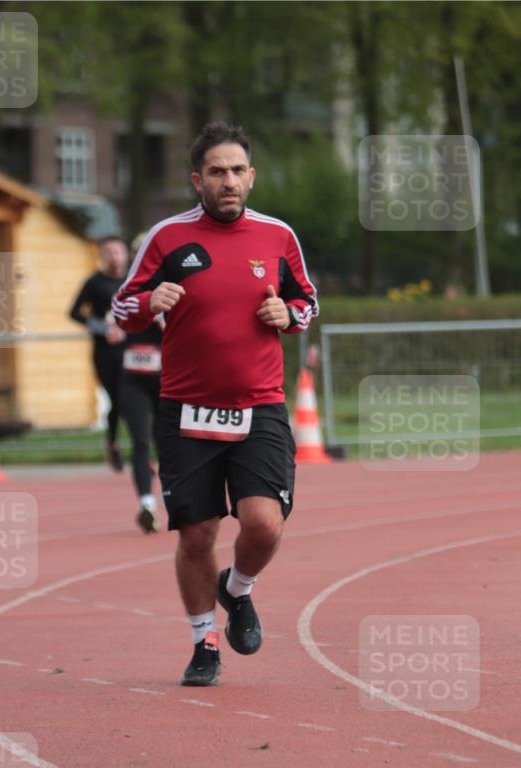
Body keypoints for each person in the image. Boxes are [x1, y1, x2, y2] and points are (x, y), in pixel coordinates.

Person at [114, 122, 318, 686]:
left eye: (236, 171)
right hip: (186, 410)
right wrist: (148, 301)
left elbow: (306, 300)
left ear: (250, 177)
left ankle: (238, 589)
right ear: (196, 179)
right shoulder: (166, 238)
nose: (228, 181)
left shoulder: (278, 236)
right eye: (216, 172)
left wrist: (289, 316)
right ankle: (204, 641)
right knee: (197, 534)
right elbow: (122, 305)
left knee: (263, 525)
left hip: (261, 405)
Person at [69, 236, 128, 470]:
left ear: (125, 255)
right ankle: (113, 444)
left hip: (131, 349)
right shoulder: (94, 282)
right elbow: (74, 312)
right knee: (116, 398)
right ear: (102, 256)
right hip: (105, 351)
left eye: (118, 252)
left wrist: (125, 330)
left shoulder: (134, 280)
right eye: (109, 252)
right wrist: (103, 329)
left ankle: (142, 450)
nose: (114, 257)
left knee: (133, 400)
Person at [119, 232, 164, 533]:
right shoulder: (125, 292)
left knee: (168, 443)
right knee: (140, 440)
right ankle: (146, 502)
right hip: (132, 380)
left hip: (168, 380)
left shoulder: (175, 288)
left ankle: (176, 501)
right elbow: (114, 321)